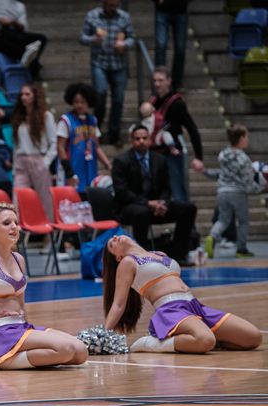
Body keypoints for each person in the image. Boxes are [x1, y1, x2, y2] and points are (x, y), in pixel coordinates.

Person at [0, 203, 87, 369]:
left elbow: (21, 303)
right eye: (7, 223)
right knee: (65, 349)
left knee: (80, 351)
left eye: (16, 222)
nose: (14, 227)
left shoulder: (18, 259)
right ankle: (1, 357)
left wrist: (30, 334)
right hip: (3, 333)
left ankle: (12, 359)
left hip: (22, 328)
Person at [102, 233, 261, 354]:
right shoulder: (127, 262)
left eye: (115, 237)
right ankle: (150, 343)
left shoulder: (159, 254)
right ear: (117, 257)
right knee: (205, 340)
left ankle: (203, 339)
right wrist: (104, 334)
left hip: (195, 306)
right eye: (112, 243)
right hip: (171, 310)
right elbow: (118, 304)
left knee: (253, 338)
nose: (115, 237)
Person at [111, 125, 197, 262]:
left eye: (144, 138)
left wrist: (162, 203)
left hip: (156, 207)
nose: (141, 141)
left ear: (150, 140)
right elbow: (122, 192)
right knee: (141, 212)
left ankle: (178, 254)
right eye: (137, 138)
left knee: (188, 208)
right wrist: (147, 203)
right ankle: (141, 257)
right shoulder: (121, 161)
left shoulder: (160, 159)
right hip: (130, 206)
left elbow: (166, 188)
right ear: (131, 140)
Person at [205, 124, 267, 259]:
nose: (247, 139)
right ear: (241, 138)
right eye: (246, 136)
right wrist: (262, 187)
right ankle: (241, 249)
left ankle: (211, 236)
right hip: (237, 193)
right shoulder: (244, 159)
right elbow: (248, 182)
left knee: (222, 220)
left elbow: (221, 173)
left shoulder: (223, 154)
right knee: (243, 221)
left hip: (222, 191)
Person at [79, 0, 135, 147]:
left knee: (118, 99)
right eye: (110, 6)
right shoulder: (92, 16)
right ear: (104, 4)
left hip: (119, 64)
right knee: (100, 95)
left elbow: (131, 38)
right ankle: (96, 131)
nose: (112, 9)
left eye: (115, 6)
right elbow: (82, 37)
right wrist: (94, 39)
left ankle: (114, 134)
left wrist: (124, 44)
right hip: (99, 63)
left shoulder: (124, 17)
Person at [149, 66, 204, 203]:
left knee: (177, 190)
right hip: (153, 152)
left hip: (171, 153)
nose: (157, 84)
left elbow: (192, 128)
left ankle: (187, 223)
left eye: (160, 80)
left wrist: (199, 156)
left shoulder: (177, 103)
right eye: (155, 80)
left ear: (169, 81)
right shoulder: (152, 102)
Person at [10, 83, 57, 220]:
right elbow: (16, 145)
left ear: (35, 96)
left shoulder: (46, 116)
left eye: (27, 94)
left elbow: (54, 142)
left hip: (38, 158)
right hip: (21, 161)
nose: (23, 97)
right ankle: (15, 234)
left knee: (45, 199)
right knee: (16, 198)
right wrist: (14, 167)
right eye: (22, 94)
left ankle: (49, 235)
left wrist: (46, 161)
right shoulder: (19, 117)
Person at [56, 82, 111, 195]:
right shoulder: (66, 120)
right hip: (73, 168)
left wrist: (108, 164)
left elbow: (97, 147)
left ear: (89, 103)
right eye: (76, 102)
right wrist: (69, 172)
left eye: (83, 102)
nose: (79, 105)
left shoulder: (93, 120)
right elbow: (60, 147)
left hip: (90, 168)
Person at [0, 0, 47, 77]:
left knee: (41, 38)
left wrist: (12, 22)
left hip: (13, 32)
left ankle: (28, 59)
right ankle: (30, 62)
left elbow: (23, 27)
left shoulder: (20, 6)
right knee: (5, 37)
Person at [154, 0, 189, 91]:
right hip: (162, 9)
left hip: (180, 9)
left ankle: (176, 81)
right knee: (161, 45)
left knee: (180, 48)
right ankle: (159, 79)